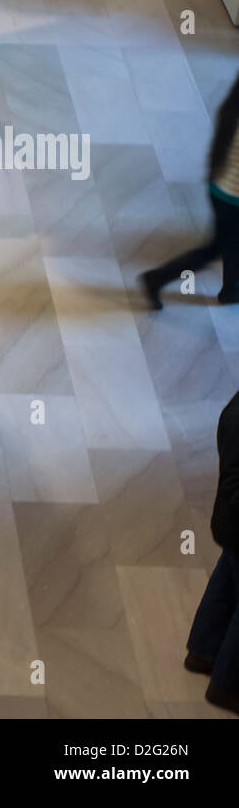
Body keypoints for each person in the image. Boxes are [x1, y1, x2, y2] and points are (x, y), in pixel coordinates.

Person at [141, 72, 239, 309]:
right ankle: (156, 278)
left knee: (229, 243)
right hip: (233, 197)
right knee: (214, 249)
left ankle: (230, 290)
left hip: (220, 187)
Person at [184, 389, 239, 716]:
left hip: (230, 518)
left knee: (227, 579)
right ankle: (228, 685)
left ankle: (203, 652)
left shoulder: (234, 410)